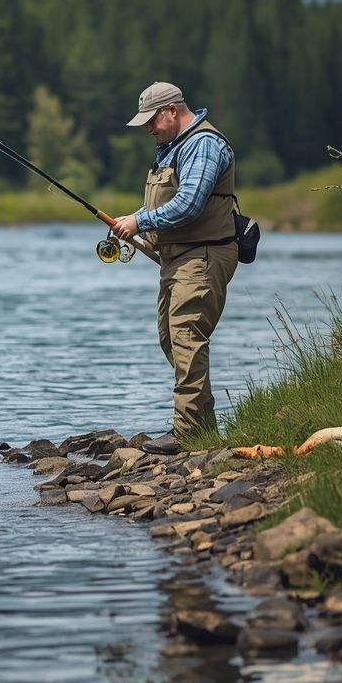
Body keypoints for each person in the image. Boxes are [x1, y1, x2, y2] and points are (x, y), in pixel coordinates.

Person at [112, 82, 238, 454]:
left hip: (203, 256)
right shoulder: (171, 149)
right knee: (173, 340)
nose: (148, 129)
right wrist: (130, 221)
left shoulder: (203, 144)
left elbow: (189, 205)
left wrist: (139, 223)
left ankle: (186, 434)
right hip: (178, 259)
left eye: (151, 121)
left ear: (171, 110)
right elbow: (163, 206)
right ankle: (203, 429)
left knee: (186, 338)